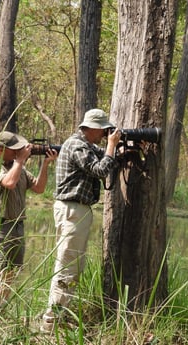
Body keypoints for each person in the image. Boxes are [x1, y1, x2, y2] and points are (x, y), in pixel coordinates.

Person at [41, 108, 121, 332]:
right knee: (67, 267)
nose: (105, 134)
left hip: (76, 211)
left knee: (73, 266)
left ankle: (59, 316)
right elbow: (99, 170)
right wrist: (112, 145)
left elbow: (103, 155)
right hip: (73, 210)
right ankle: (51, 323)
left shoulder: (85, 145)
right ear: (92, 128)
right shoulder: (77, 145)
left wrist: (121, 146)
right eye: (103, 130)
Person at [0, 131, 57, 299]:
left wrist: (45, 164)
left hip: (18, 226)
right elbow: (8, 182)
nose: (17, 152)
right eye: (13, 149)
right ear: (0, 150)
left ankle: (1, 308)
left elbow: (39, 188)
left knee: (12, 272)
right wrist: (20, 160)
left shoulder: (18, 168)